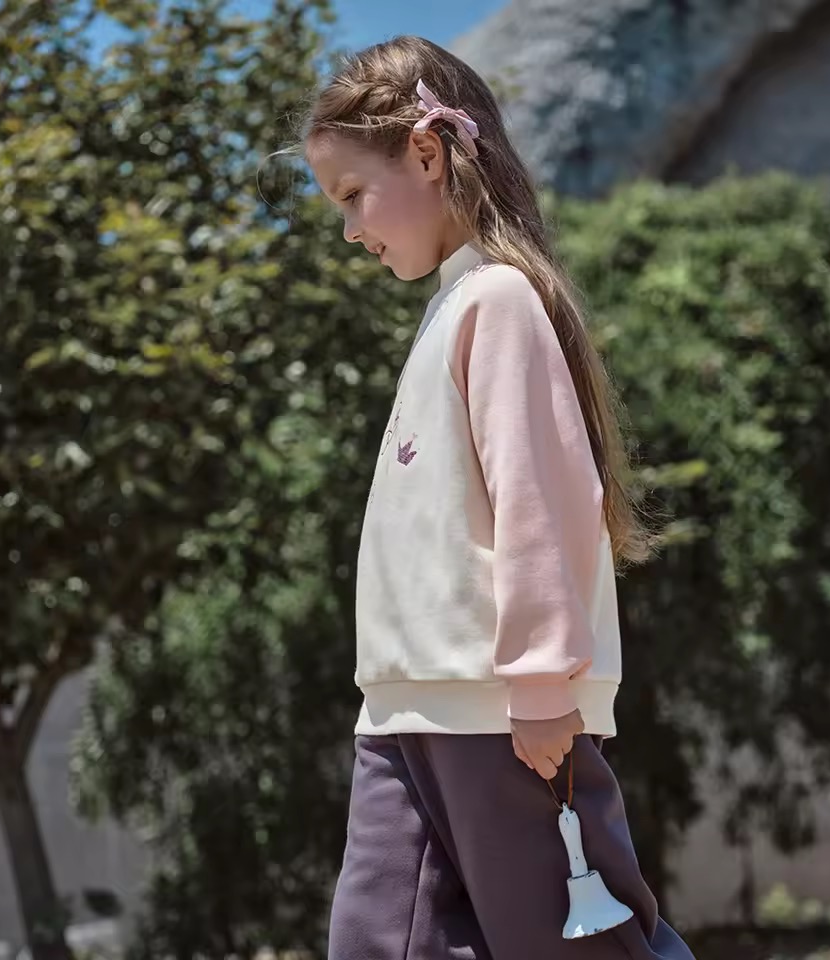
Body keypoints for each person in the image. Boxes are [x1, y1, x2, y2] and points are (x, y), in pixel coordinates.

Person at [300, 34, 696, 960]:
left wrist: (542, 679)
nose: (349, 229)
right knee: (378, 940)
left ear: (426, 155)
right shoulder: (448, 309)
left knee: (578, 944)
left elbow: (539, 496)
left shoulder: (499, 301)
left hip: (498, 708)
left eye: (353, 194)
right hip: (402, 707)